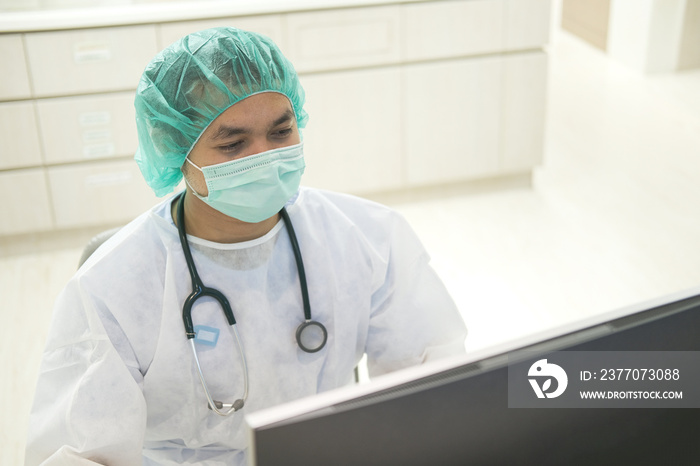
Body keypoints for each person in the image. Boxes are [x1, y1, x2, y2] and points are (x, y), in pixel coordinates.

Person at [25, 27, 467, 465]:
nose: (264, 157)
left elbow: (433, 384)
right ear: (177, 149)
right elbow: (78, 453)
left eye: (281, 132)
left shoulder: (368, 237)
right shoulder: (113, 287)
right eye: (234, 144)